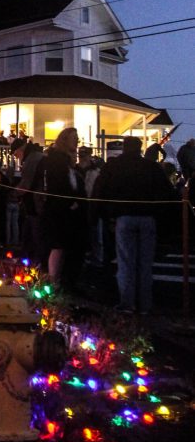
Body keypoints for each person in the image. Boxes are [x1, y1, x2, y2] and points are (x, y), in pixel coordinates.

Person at [97, 137, 177, 314]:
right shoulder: (151, 167)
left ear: (124, 147)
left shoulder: (114, 166)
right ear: (140, 148)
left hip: (124, 217)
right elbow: (167, 193)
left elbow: (101, 191)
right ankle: (145, 304)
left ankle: (127, 302)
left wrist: (105, 215)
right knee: (145, 263)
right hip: (147, 216)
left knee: (126, 261)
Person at [39, 128, 87, 289]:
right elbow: (57, 186)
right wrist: (69, 202)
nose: (77, 141)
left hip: (70, 214)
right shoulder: (56, 162)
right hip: (60, 213)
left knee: (65, 247)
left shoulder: (69, 164)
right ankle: (54, 281)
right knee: (58, 246)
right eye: (74, 138)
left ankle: (63, 280)